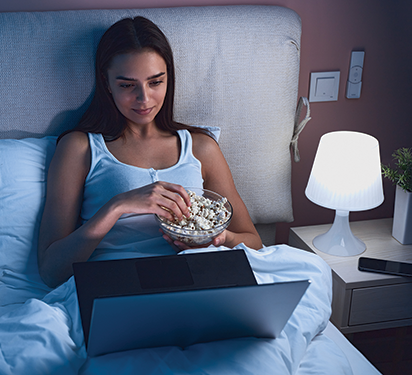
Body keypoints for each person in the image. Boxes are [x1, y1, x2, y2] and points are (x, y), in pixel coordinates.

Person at [37, 16, 262, 289]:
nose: (144, 99)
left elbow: (254, 242)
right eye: (127, 85)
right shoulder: (81, 147)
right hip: (116, 284)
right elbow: (51, 270)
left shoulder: (200, 147)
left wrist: (220, 238)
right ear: (107, 84)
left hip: (195, 279)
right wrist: (117, 206)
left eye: (155, 82)